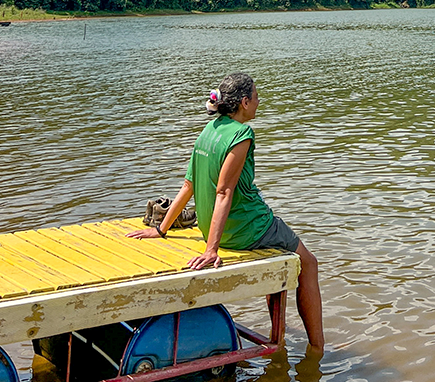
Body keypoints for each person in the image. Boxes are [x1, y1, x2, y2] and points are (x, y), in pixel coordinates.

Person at [127, 73, 324, 351]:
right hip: (246, 227)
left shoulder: (209, 130)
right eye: (256, 96)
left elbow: (188, 186)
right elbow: (224, 191)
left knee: (280, 265)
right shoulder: (242, 134)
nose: (259, 101)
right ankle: (318, 348)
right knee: (309, 263)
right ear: (244, 102)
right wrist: (212, 250)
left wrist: (161, 229)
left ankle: (278, 335)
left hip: (214, 227)